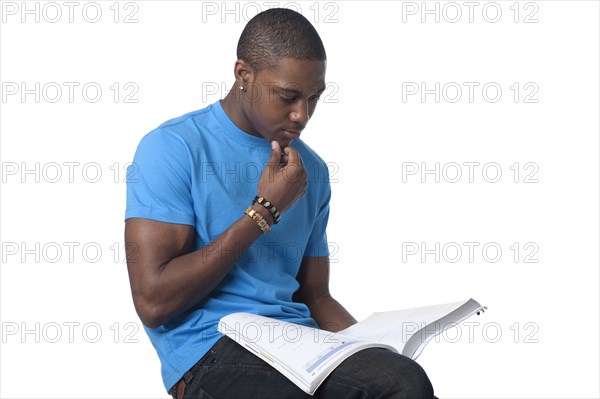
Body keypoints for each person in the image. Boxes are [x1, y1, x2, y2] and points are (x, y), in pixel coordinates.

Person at [124, 8, 437, 399]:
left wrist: (371, 348)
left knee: (401, 377)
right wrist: (264, 211)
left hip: (301, 351)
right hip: (210, 354)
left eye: (313, 98)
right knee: (393, 384)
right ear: (244, 76)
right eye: (288, 96)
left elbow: (314, 296)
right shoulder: (173, 148)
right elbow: (153, 302)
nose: (302, 114)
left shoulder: (311, 171)